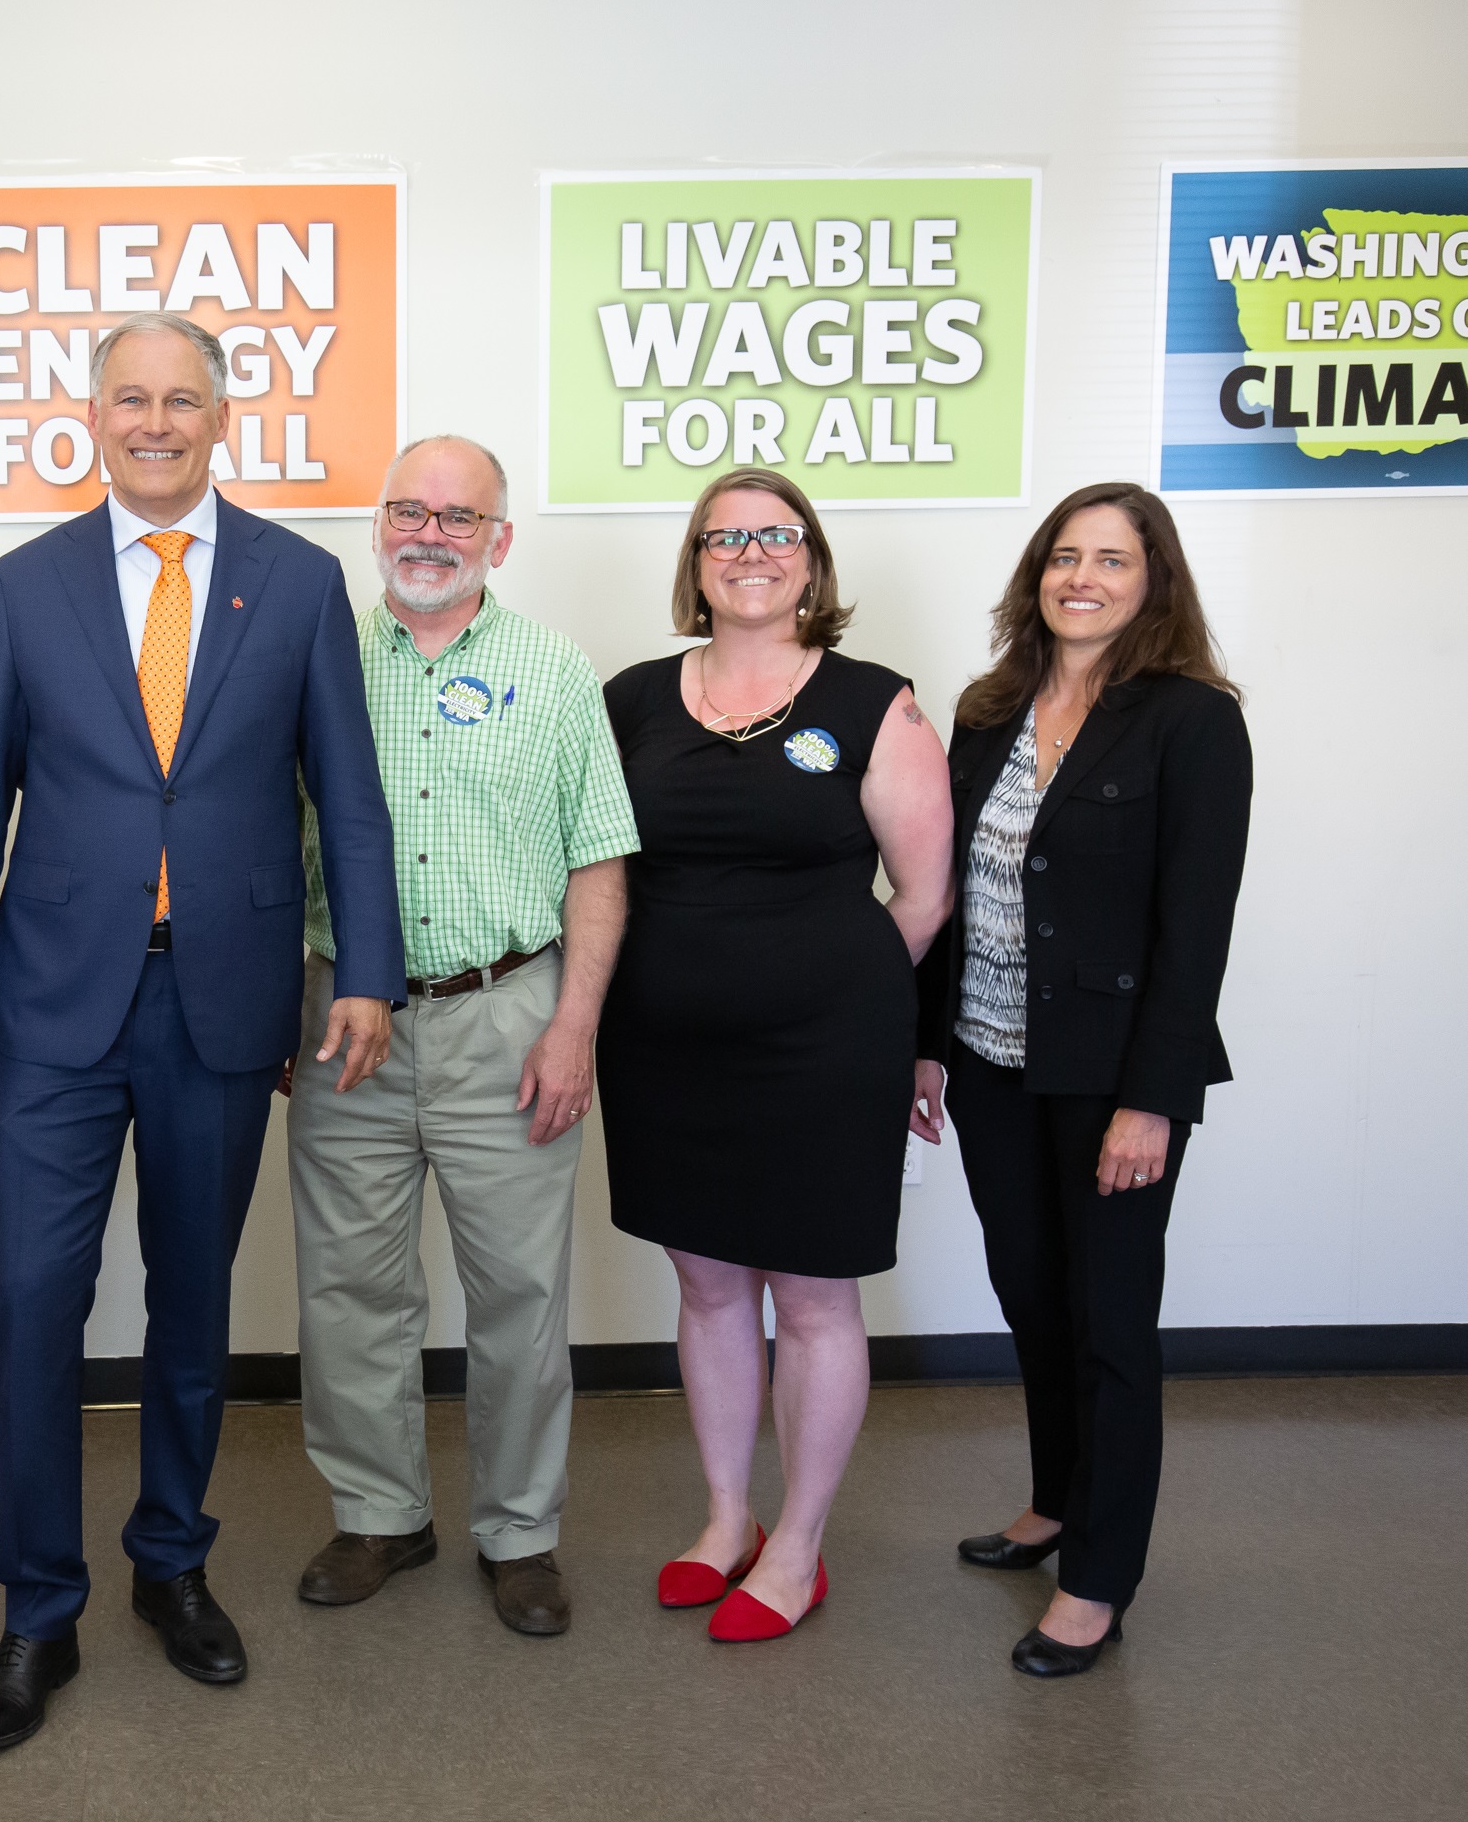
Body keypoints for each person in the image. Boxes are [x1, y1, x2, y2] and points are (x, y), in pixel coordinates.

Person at [0, 312, 405, 1753]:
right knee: (41, 1302)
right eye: (130, 398)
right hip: (55, 1002)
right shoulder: (24, 584)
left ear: (220, 417)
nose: (154, 422)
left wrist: (362, 972)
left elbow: (348, 803)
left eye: (180, 400)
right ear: (92, 413)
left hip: (225, 995)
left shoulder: (299, 585)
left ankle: (170, 1564)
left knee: (191, 1302)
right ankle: (37, 1609)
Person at [283, 435, 637, 1637]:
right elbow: (269, 850)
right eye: (406, 510)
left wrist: (572, 1025)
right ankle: (379, 1511)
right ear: (377, 525)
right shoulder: (315, 660)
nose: (427, 533)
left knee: (520, 1293)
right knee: (346, 1287)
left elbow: (597, 861)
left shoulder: (553, 670)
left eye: (456, 515)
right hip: (347, 1018)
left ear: (498, 538)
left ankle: (519, 1529)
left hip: (508, 1015)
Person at [599, 467, 951, 1643]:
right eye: (723, 537)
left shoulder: (873, 701)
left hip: (822, 1052)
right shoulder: (634, 699)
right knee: (704, 1286)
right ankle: (722, 1518)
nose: (749, 553)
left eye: (774, 534)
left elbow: (920, 893)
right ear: (695, 564)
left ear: (809, 558)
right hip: (661, 1047)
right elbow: (598, 866)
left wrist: (825, 990)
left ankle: (796, 1546)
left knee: (808, 1295)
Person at [914, 482, 1250, 1677]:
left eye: (1111, 559)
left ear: (1151, 579)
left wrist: (1154, 1099)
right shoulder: (987, 708)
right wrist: (923, 1037)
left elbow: (1193, 929)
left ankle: (1098, 1575)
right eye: (1063, 555)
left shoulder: (1191, 721)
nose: (1081, 578)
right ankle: (1055, 1499)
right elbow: (941, 888)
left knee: (1110, 1325)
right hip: (990, 1058)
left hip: (1113, 1079)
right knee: (1032, 1299)